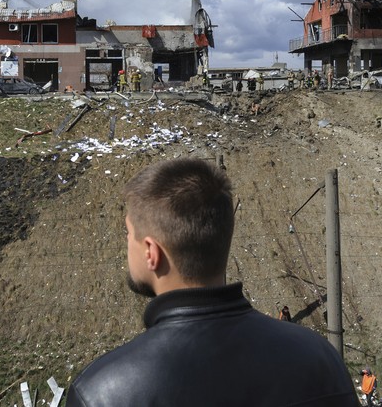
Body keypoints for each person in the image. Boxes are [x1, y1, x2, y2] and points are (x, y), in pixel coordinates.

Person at [66, 158, 359, 407]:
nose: (126, 242)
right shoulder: (319, 359)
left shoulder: (101, 392)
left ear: (151, 253)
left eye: (128, 234)